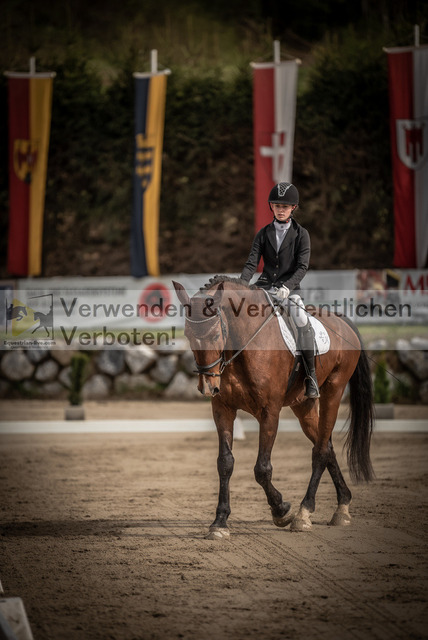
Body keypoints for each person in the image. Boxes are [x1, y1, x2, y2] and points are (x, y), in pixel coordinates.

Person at [240, 181, 320, 399]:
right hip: (264, 286)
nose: (281, 210)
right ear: (271, 207)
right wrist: (241, 286)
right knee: (241, 316)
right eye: (277, 206)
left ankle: (311, 376)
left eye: (285, 206)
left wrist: (287, 286)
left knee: (301, 319)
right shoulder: (263, 233)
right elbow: (251, 263)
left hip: (289, 289)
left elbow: (302, 267)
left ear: (293, 208)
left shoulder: (301, 234)